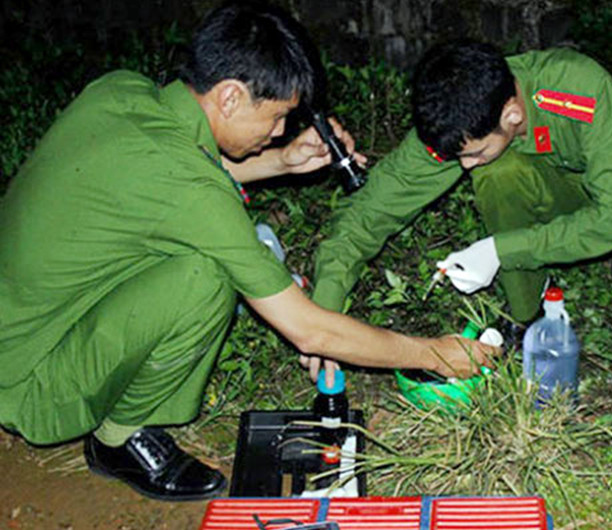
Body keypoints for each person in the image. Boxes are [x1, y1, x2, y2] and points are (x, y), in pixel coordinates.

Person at [0, 5, 496, 501]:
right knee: (205, 279)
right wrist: (432, 354)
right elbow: (310, 329)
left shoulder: (121, 91)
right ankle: (117, 439)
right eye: (277, 116)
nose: (279, 131)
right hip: (29, 385)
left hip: (23, 329)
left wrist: (282, 162)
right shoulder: (193, 194)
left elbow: (173, 176)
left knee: (180, 247)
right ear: (231, 96)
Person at [312, 40, 612, 340]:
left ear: (512, 114)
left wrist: (500, 250)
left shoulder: (578, 86)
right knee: (497, 171)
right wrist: (320, 319)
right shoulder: (455, 117)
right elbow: (368, 214)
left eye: (474, 152)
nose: (465, 165)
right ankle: (525, 310)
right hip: (545, 199)